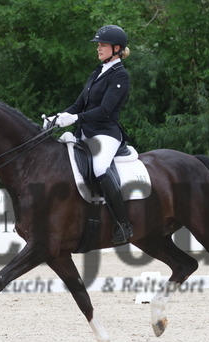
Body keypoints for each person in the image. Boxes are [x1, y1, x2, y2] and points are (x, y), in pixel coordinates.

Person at [45, 25, 133, 245]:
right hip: (85, 133)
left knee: (100, 167)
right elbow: (79, 104)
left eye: (102, 45)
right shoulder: (98, 72)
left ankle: (124, 224)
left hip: (105, 134)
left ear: (116, 48)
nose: (98, 48)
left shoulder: (120, 75)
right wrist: (58, 117)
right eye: (98, 45)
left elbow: (104, 110)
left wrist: (74, 119)